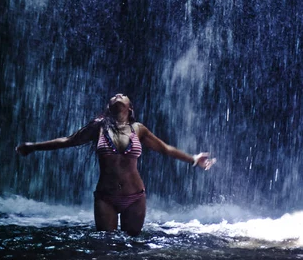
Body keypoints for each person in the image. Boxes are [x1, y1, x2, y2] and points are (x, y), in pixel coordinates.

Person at [16, 93, 216, 236]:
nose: (118, 96)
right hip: (106, 198)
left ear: (130, 108)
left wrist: (193, 159)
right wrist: (34, 146)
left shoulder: (138, 129)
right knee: (105, 246)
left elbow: (165, 149)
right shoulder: (98, 127)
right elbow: (68, 141)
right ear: (108, 107)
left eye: (122, 96)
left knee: (133, 246)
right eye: (114, 97)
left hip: (135, 197)